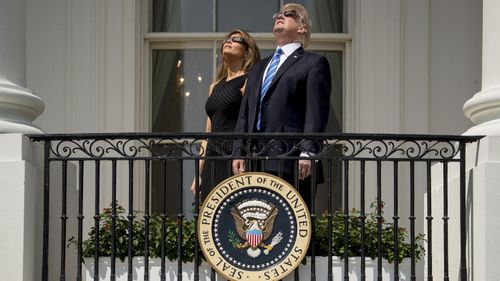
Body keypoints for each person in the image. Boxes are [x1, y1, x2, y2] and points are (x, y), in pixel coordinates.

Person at [232, 3, 331, 207]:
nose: (280, 16)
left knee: (292, 229)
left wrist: (308, 151)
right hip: (256, 160)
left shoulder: (313, 63)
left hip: (292, 160)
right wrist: (238, 151)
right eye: (279, 13)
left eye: (289, 14)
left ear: (302, 28)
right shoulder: (259, 67)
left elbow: (316, 112)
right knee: (258, 223)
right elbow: (245, 114)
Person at [190, 29, 260, 200]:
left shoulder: (249, 82)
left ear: (247, 51)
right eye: (227, 39)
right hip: (213, 158)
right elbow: (207, 134)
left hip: (235, 157)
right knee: (211, 214)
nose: (228, 41)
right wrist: (197, 173)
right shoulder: (214, 86)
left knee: (235, 213)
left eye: (236, 39)